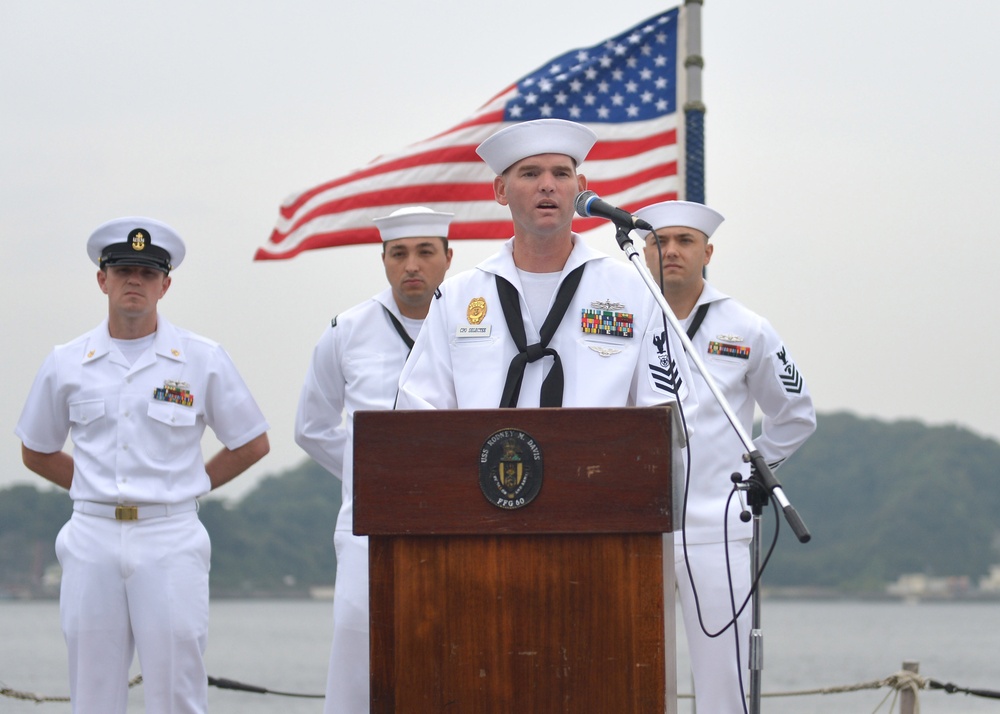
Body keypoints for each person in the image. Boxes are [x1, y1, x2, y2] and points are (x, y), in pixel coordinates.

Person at [15, 216, 270, 714]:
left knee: (177, 691)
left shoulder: (202, 359)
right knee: (92, 693)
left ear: (165, 284)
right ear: (102, 279)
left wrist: (190, 485)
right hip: (91, 537)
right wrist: (93, 486)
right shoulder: (66, 362)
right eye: (124, 269)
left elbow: (251, 442)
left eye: (148, 273)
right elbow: (36, 449)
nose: (135, 280)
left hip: (170, 537)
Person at [635, 200, 816, 713]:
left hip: (718, 527)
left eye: (684, 241)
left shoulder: (746, 327)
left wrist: (753, 475)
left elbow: (796, 414)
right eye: (658, 241)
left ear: (707, 251)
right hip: (635, 526)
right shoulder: (619, 319)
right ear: (644, 251)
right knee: (621, 669)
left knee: (725, 683)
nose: (670, 251)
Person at [396, 118, 697, 421]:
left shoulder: (635, 292)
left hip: (595, 468)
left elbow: (670, 415)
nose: (547, 185)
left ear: (580, 189)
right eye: (530, 173)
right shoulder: (455, 298)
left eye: (561, 174)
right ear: (501, 190)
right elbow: (417, 414)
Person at [294, 206, 454, 713]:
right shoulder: (348, 330)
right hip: (367, 528)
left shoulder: (475, 323)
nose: (413, 265)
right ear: (383, 260)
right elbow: (312, 427)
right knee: (357, 662)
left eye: (425, 252)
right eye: (399, 254)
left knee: (453, 658)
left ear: (448, 258)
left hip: (456, 522)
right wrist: (376, 476)